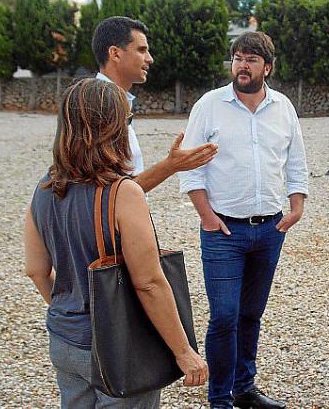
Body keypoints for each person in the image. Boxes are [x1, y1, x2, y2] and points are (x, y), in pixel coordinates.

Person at [24, 79, 209, 408]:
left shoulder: (44, 188)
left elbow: (36, 271)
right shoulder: (122, 193)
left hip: (64, 341)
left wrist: (70, 313)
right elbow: (149, 283)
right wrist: (184, 352)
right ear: (113, 127)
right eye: (127, 120)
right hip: (116, 347)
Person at [178, 32, 309, 409]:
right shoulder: (209, 105)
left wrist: (296, 206)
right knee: (224, 316)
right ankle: (219, 399)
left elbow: (295, 160)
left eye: (251, 59)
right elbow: (190, 166)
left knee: (251, 314)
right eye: (237, 58)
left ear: (267, 67)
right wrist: (206, 217)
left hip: (270, 229)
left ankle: (244, 388)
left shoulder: (283, 107)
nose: (242, 65)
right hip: (223, 231)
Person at [91, 15, 217, 189]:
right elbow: (109, 192)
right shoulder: (97, 105)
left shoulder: (114, 101)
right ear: (115, 53)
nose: (150, 59)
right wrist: (171, 165)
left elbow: (122, 186)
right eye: (141, 50)